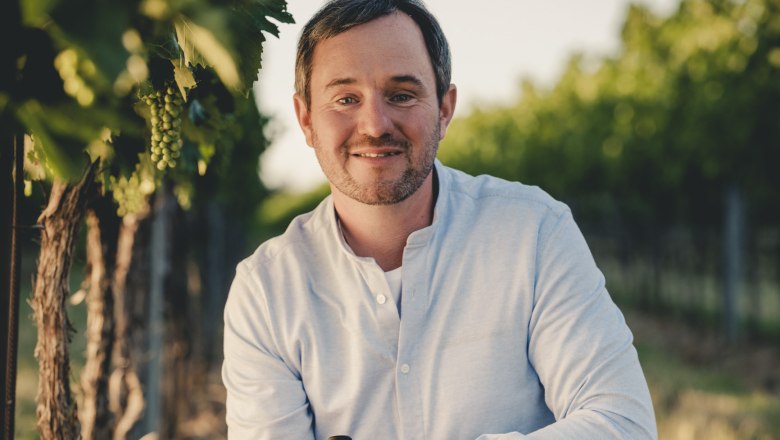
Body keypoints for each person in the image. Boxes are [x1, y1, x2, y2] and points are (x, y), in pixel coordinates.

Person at [222, 0, 658, 438]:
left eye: (401, 95)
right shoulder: (265, 292)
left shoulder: (533, 233)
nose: (375, 124)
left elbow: (622, 422)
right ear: (306, 119)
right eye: (346, 98)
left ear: (445, 109)